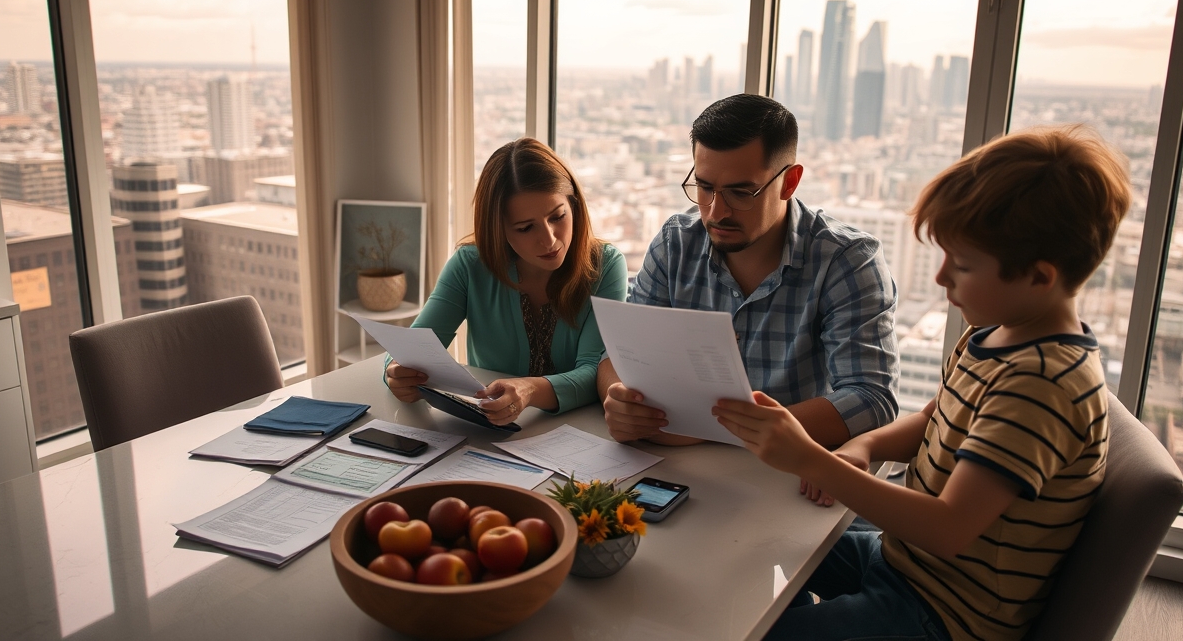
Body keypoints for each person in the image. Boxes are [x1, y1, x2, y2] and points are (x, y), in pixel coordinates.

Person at [713, 125, 1130, 641]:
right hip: (905, 561)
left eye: (964, 263)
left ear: (1040, 277)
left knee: (748, 631)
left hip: (944, 614)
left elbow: (948, 529)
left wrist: (809, 458)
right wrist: (864, 445)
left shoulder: (1040, 385)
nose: (941, 277)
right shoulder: (997, 334)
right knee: (752, 538)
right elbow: (936, 419)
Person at [597, 94, 899, 457]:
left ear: (789, 182)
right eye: (705, 187)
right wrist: (618, 400)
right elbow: (620, 355)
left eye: (741, 192)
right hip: (677, 462)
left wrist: (713, 427)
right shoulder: (674, 242)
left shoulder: (847, 260)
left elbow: (871, 398)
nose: (715, 211)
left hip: (783, 473)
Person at [385, 138, 627, 424]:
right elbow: (410, 351)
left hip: (580, 435)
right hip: (487, 433)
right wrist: (396, 373)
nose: (549, 239)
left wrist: (529, 390)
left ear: (573, 205)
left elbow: (594, 372)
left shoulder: (606, 266)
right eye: (525, 228)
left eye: (558, 216)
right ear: (498, 229)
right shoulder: (469, 265)